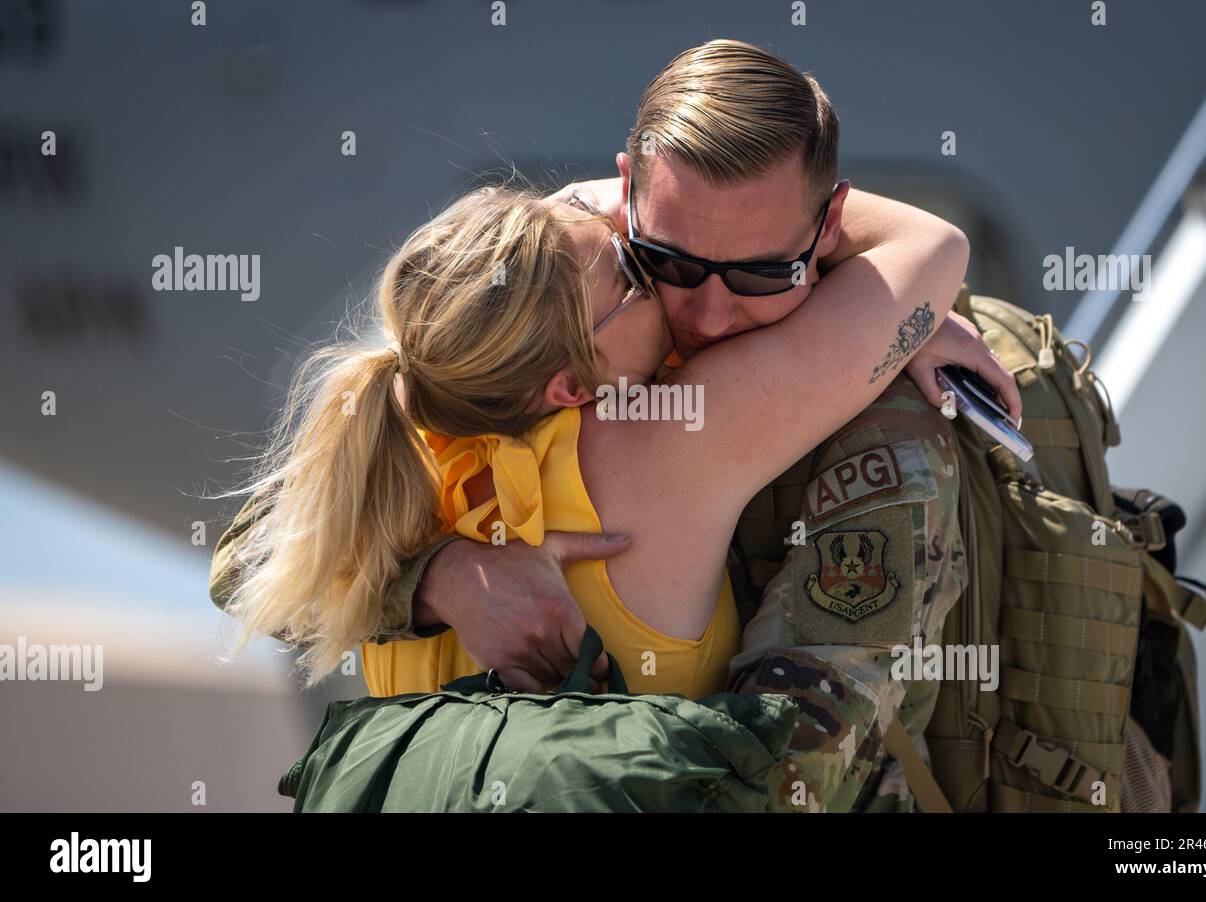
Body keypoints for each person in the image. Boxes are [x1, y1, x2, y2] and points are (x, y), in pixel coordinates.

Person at [209, 39, 1020, 810]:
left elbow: (248, 567)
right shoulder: (673, 441)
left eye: (761, 271)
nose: (704, 314)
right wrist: (874, 310)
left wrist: (437, 577)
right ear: (567, 383)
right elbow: (934, 245)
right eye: (651, 265)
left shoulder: (397, 435)